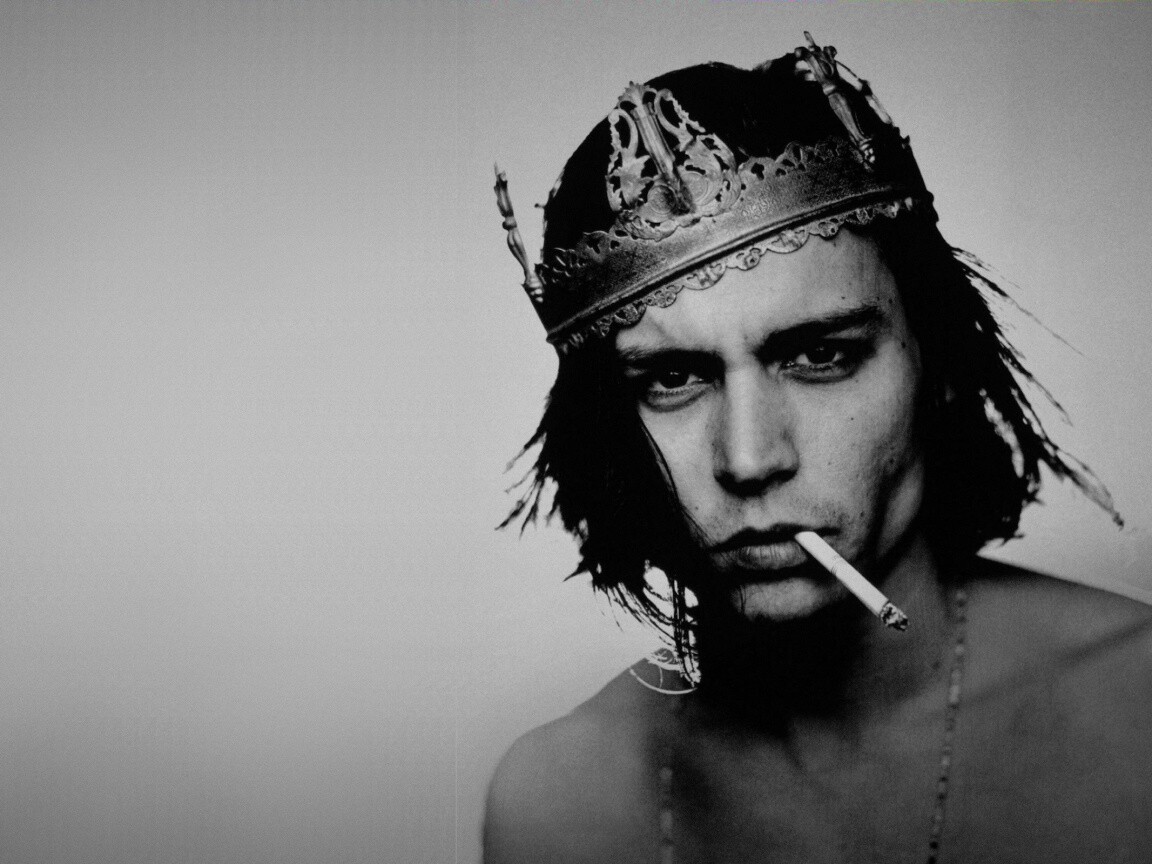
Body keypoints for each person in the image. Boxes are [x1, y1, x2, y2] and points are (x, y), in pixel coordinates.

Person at [483, 34, 1152, 864]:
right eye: (674, 378)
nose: (750, 458)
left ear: (938, 363)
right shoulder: (558, 806)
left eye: (821, 355)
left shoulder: (1136, 713)